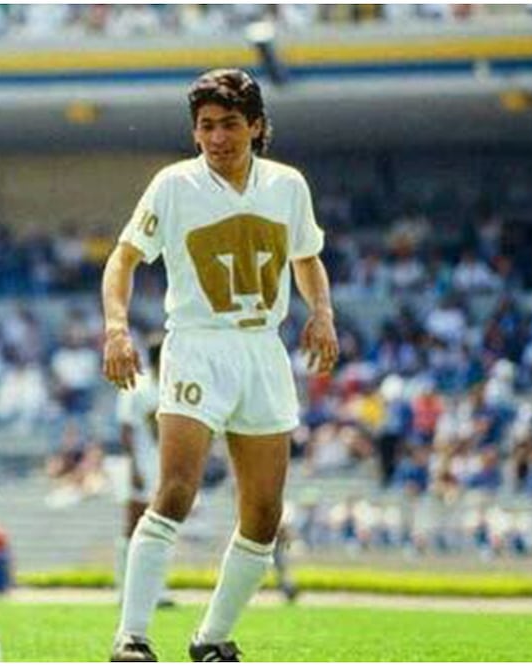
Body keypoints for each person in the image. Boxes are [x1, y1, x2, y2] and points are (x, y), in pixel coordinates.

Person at [101, 68, 338, 662]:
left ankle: (211, 639)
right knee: (176, 490)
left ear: (256, 126)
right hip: (196, 344)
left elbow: (306, 257)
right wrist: (116, 328)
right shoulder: (174, 185)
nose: (217, 137)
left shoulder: (287, 186)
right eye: (206, 125)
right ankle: (131, 637)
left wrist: (323, 313)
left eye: (230, 123)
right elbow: (123, 259)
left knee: (263, 513)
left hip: (263, 348)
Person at [114, 336, 173, 606]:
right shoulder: (137, 386)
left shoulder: (173, 385)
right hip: (142, 466)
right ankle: (123, 589)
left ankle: (157, 590)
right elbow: (126, 429)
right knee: (133, 527)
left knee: (163, 529)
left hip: (165, 469)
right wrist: (134, 466)